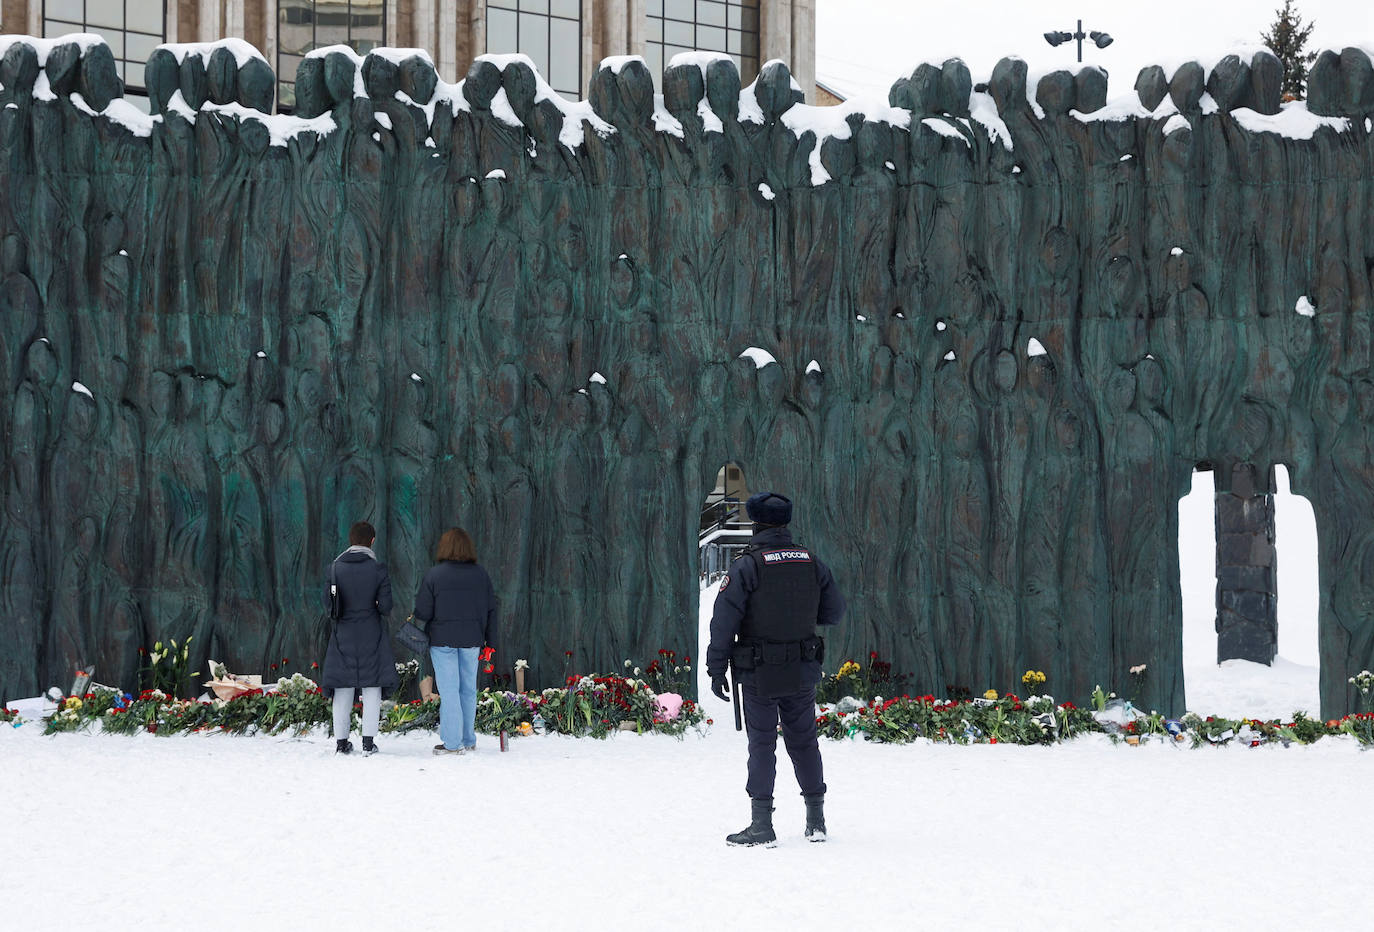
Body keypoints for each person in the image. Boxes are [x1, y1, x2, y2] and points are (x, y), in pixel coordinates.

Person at [706, 491, 846, 846]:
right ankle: (816, 822)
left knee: (762, 744)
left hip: (760, 671)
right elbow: (833, 613)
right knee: (805, 741)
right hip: (801, 667)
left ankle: (762, 826)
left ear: (756, 523)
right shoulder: (812, 561)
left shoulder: (747, 566)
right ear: (786, 522)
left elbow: (723, 622)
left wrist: (716, 668)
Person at [414, 527, 499, 756]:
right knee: (468, 689)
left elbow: (423, 611)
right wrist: (491, 642)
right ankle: (468, 739)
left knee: (449, 690)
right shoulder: (480, 574)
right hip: (472, 640)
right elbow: (492, 610)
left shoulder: (435, 575)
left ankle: (452, 744)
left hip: (442, 641)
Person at [321, 521, 397, 755]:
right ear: (372, 541)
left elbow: (328, 607)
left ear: (351, 540)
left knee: (342, 686)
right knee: (372, 685)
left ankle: (341, 743)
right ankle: (368, 743)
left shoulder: (334, 568)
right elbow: (386, 607)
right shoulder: (378, 569)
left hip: (342, 633)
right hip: (371, 633)